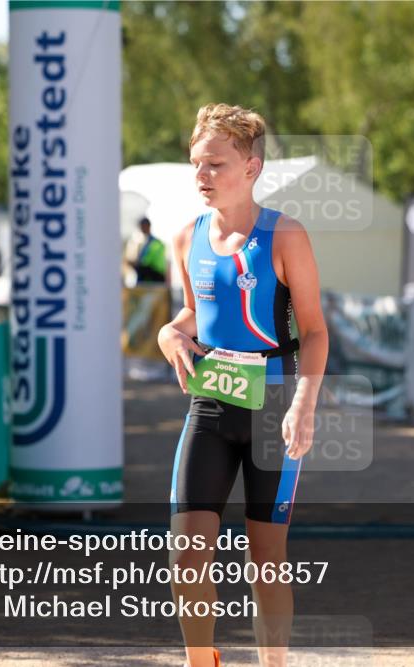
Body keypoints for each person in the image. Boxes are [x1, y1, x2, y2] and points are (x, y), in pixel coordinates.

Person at [157, 103, 328, 667]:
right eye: (196, 165)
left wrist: (304, 403)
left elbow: (314, 331)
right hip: (210, 407)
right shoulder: (187, 238)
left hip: (273, 408)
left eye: (215, 165)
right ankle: (200, 660)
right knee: (186, 551)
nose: (202, 176)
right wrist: (168, 335)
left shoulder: (285, 234)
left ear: (251, 168)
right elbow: (192, 314)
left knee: (266, 557)